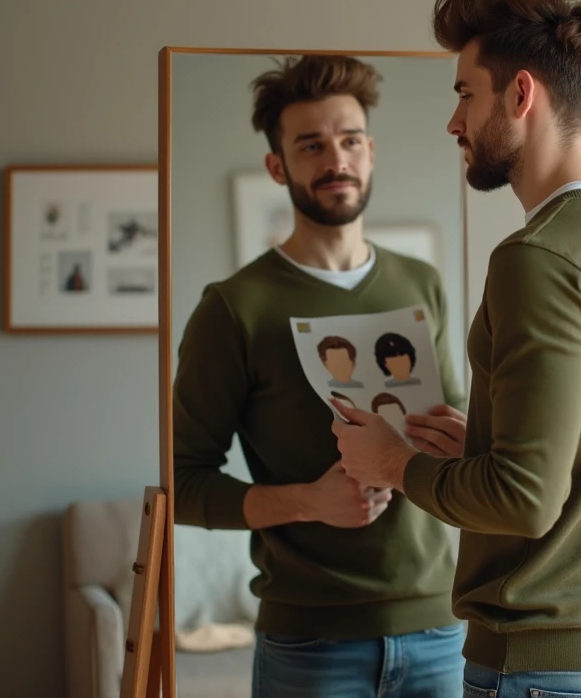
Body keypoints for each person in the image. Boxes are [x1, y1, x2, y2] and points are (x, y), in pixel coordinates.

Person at [330, 0, 581, 698]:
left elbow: (526, 500)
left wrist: (393, 463)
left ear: (521, 95)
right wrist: (488, 442)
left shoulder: (538, 257)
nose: (453, 122)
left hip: (549, 667)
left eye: (465, 93)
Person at [172, 54, 468, 697]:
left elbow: (457, 422)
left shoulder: (422, 284)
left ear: (370, 152)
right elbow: (183, 480)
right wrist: (309, 500)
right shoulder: (235, 307)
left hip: (442, 629)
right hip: (310, 643)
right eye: (311, 145)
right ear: (278, 166)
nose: (336, 159)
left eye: (350, 140)